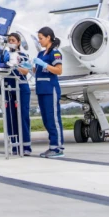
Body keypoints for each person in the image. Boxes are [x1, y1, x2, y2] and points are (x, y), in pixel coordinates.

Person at [0, 33, 33, 156]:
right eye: (9, 40)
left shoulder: (23, 55)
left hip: (21, 86)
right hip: (7, 86)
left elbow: (26, 70)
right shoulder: (4, 55)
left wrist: (15, 65)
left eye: (13, 40)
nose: (11, 42)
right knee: (9, 117)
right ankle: (14, 145)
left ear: (18, 42)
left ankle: (26, 145)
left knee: (22, 116)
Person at [33, 27, 64, 158]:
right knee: (46, 119)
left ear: (48, 37)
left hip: (50, 90)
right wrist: (30, 68)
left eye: (41, 38)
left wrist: (45, 65)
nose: (39, 41)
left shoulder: (55, 53)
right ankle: (52, 146)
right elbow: (37, 71)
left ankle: (58, 147)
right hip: (41, 89)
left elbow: (58, 70)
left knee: (53, 118)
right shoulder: (40, 54)